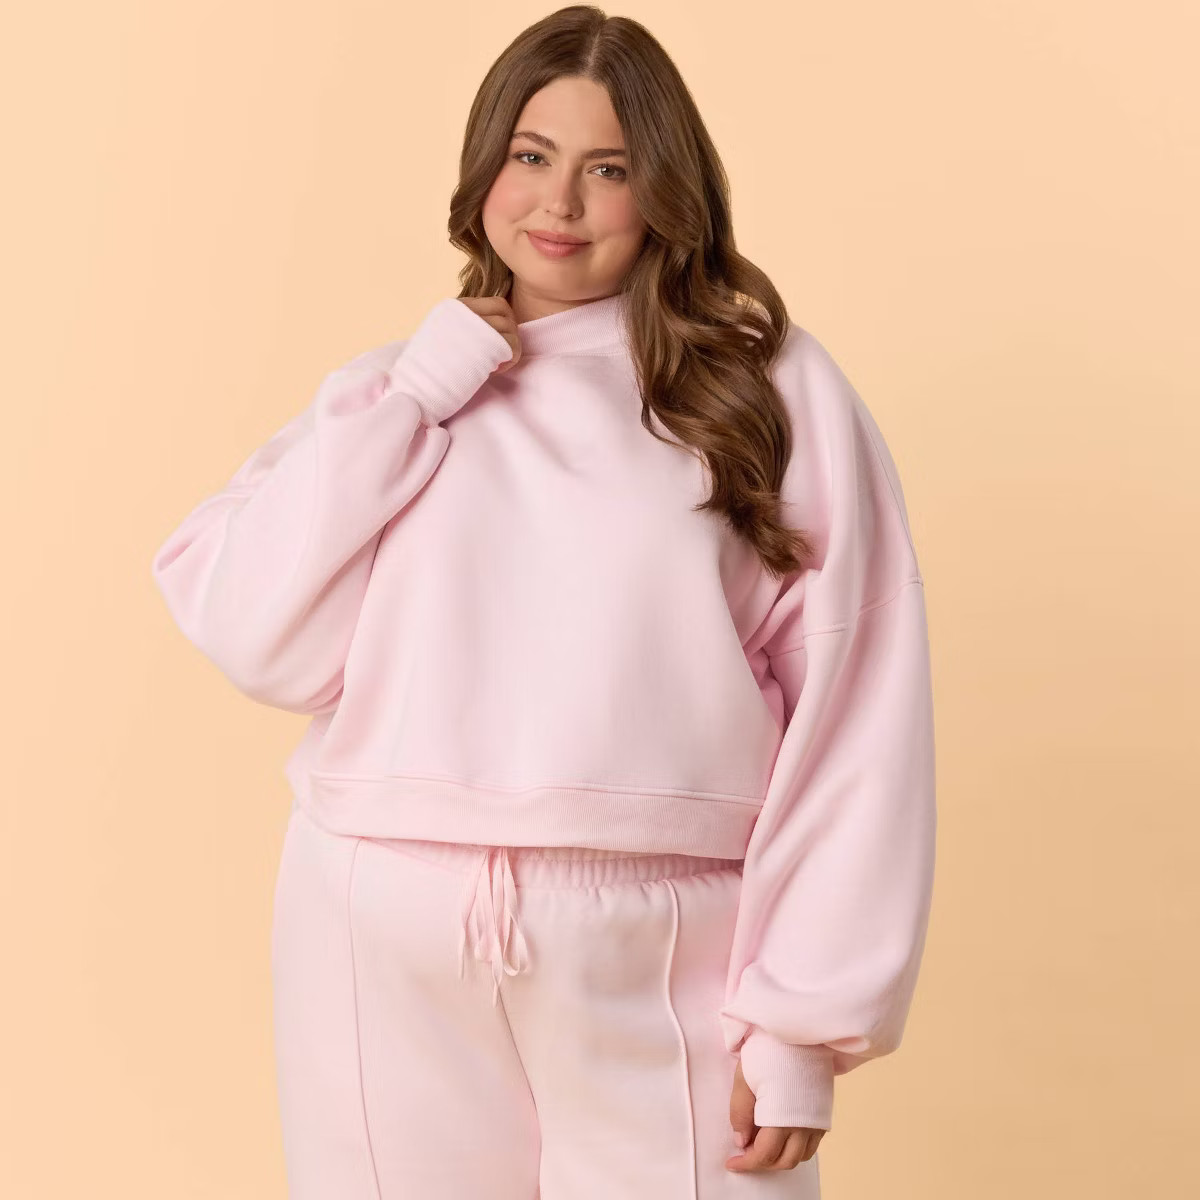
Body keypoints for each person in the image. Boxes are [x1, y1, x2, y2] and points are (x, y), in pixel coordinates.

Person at [150, 7, 936, 1198]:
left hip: (664, 938)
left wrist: (802, 1022)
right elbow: (257, 634)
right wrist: (420, 393)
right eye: (531, 155)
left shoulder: (764, 391)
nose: (560, 203)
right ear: (483, 169)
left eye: (609, 169)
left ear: (665, 190)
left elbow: (857, 706)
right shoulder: (398, 393)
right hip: (376, 920)